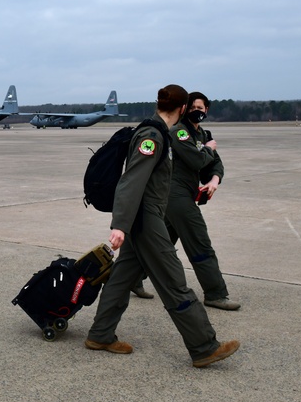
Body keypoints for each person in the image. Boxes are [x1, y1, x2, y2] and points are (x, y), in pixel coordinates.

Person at [85, 84, 240, 368]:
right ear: (182, 109)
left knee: (121, 278)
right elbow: (131, 181)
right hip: (146, 218)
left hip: (144, 216)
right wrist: (120, 225)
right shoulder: (152, 136)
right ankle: (204, 347)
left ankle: (100, 334)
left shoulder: (159, 132)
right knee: (174, 281)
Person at [166, 91, 240, 311]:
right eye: (192, 107)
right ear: (184, 109)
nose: (196, 111)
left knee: (160, 244)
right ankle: (215, 293)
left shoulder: (202, 134)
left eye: (201, 108)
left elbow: (215, 164)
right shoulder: (179, 132)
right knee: (200, 243)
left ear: (207, 110)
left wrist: (214, 181)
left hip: (184, 195)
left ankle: (132, 279)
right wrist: (208, 148)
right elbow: (197, 160)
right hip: (174, 194)